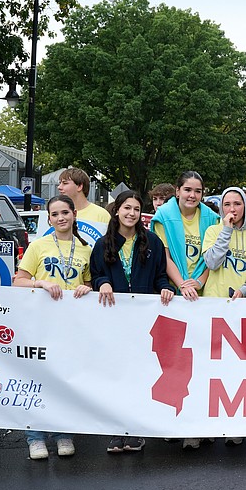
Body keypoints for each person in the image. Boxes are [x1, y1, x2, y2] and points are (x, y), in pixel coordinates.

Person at [90, 190, 174, 454]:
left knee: (140, 374)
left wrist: (165, 288)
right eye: (127, 208)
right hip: (113, 318)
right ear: (117, 210)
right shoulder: (103, 244)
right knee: (115, 374)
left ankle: (135, 430)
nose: (131, 213)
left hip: (143, 319)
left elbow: (160, 275)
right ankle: (116, 430)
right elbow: (95, 274)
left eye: (136, 209)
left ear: (141, 214)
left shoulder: (152, 242)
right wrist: (103, 283)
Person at [13, 195, 93, 459]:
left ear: (74, 215)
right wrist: (41, 283)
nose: (60, 218)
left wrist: (87, 287)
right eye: (55, 214)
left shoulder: (85, 249)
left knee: (64, 380)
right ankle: (35, 437)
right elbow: (18, 281)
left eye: (65, 213)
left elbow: (91, 282)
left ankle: (63, 433)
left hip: (71, 325)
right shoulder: (38, 246)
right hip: (41, 323)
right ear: (49, 218)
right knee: (38, 378)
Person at [150, 171, 218, 299]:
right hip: (172, 293)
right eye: (187, 190)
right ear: (177, 191)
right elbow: (165, 257)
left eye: (198, 191)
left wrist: (200, 282)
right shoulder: (163, 217)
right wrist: (183, 285)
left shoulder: (213, 219)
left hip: (204, 292)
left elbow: (215, 259)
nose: (192, 195)